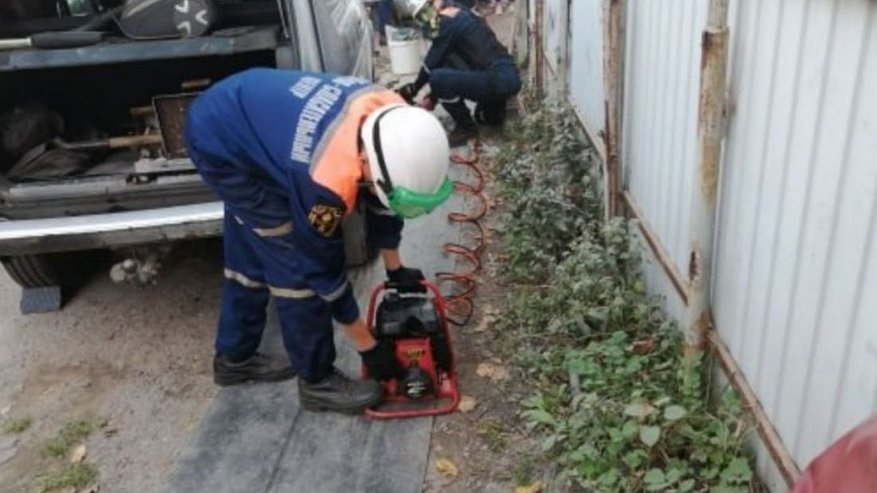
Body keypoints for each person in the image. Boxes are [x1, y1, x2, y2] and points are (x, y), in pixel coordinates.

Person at [184, 68, 453, 414]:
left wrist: (394, 267)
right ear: (363, 162)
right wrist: (368, 346)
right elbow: (321, 270)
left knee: (254, 245)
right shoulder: (326, 184)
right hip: (222, 143)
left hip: (248, 119)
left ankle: (234, 357)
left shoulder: (393, 118)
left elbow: (384, 201)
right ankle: (317, 381)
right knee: (293, 265)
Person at [398, 0, 521, 146]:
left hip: (498, 78)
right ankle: (494, 109)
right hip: (504, 76)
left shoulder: (448, 23)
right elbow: (450, 63)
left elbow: (430, 65)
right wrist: (432, 98)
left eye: (425, 12)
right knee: (484, 118)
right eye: (421, 16)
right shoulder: (459, 11)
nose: (427, 19)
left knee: (437, 78)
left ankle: (466, 128)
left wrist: (414, 88)